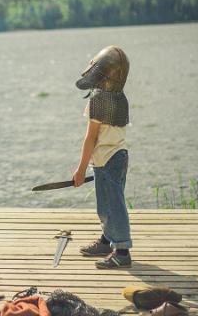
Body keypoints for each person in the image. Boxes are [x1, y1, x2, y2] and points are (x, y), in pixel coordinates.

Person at [72, 45, 132, 269]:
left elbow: (91, 139)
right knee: (106, 206)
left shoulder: (97, 99)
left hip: (107, 159)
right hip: (119, 155)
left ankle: (123, 251)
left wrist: (80, 170)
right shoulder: (120, 98)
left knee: (113, 207)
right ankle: (107, 242)